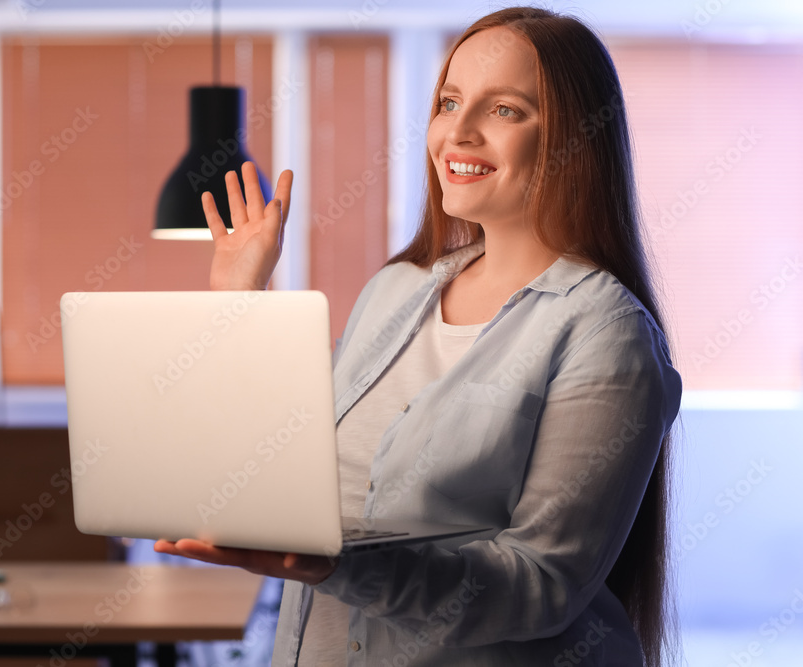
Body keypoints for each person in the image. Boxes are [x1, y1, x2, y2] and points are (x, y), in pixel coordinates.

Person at [155, 6, 682, 666]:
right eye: (450, 101)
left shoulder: (607, 334)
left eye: (505, 110)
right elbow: (294, 462)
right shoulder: (395, 292)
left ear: (575, 138)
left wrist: (335, 564)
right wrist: (241, 304)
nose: (456, 132)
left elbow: (540, 584)